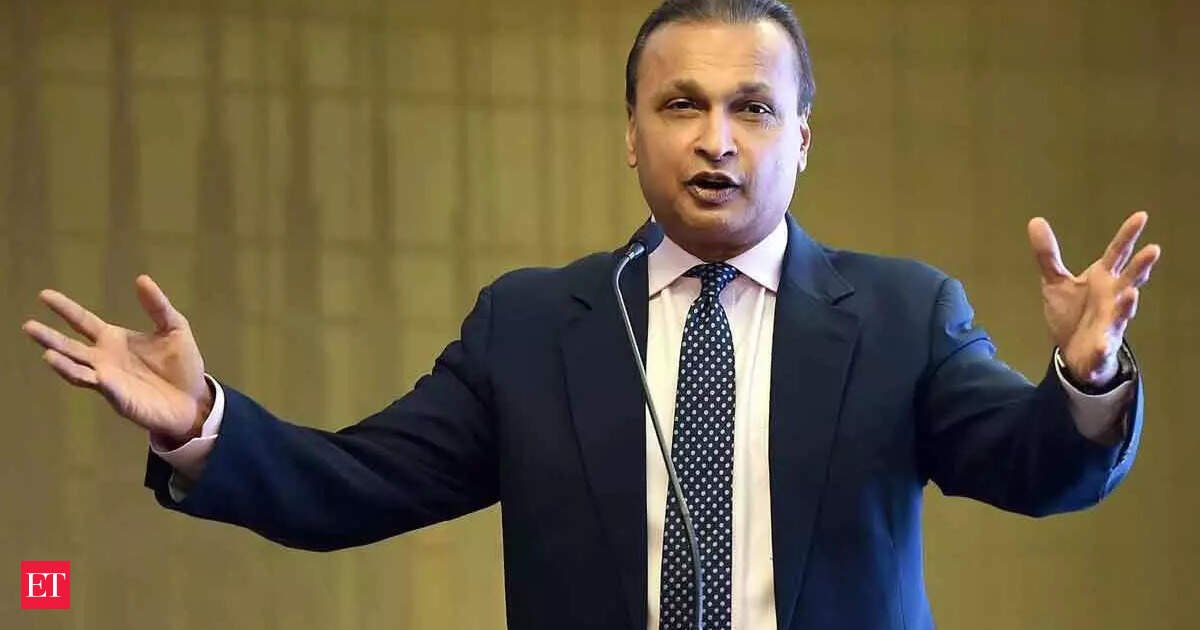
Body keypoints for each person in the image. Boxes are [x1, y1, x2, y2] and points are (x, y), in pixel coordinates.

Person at [20, 1, 1161, 629]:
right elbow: (353, 486)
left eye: (754, 108)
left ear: (803, 138)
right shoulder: (531, 327)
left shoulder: (906, 314)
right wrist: (202, 422)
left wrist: (1087, 379)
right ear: (631, 135)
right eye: (682, 105)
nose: (717, 139)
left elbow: (1034, 468)